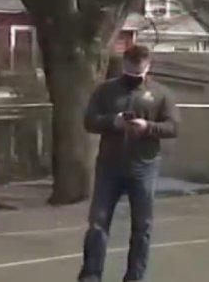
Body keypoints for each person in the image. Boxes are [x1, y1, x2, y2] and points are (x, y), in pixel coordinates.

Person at [79, 45, 179, 282]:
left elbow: (173, 127)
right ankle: (91, 275)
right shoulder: (106, 90)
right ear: (124, 65)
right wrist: (113, 122)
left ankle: (135, 276)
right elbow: (89, 121)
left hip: (144, 167)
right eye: (131, 71)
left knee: (142, 226)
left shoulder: (161, 93)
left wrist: (148, 127)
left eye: (140, 72)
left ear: (148, 66)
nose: (135, 76)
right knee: (98, 223)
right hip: (109, 167)